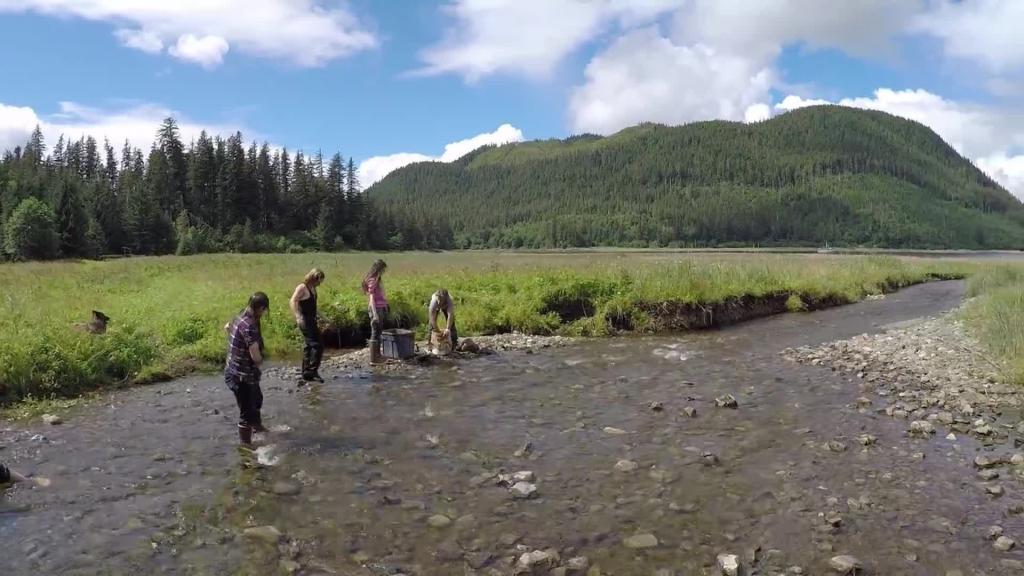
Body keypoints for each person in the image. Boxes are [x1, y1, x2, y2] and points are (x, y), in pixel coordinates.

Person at [224, 292, 270, 447]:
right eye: (264, 310)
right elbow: (255, 355)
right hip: (241, 375)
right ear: (261, 308)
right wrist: (259, 362)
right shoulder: (249, 325)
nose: (264, 314)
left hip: (235, 370)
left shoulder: (240, 316)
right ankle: (246, 446)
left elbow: (228, 328)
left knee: (256, 399)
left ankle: (257, 427)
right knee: (246, 410)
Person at [290, 268, 325, 382]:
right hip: (304, 320)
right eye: (319, 281)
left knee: (308, 346)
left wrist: (324, 317)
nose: (320, 283)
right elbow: (293, 301)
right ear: (313, 278)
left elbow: (313, 306)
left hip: (312, 319)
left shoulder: (313, 289)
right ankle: (312, 371)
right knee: (317, 345)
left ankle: (306, 372)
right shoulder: (302, 287)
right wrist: (298, 316)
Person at [361, 259, 388, 359]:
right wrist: (375, 314)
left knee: (378, 331)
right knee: (375, 332)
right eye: (383, 269)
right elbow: (372, 298)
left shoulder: (377, 279)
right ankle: (374, 357)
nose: (384, 272)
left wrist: (385, 305)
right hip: (376, 309)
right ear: (379, 269)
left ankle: (377, 355)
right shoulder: (372, 280)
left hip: (380, 308)